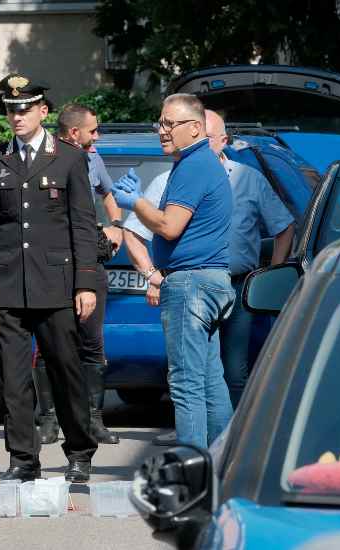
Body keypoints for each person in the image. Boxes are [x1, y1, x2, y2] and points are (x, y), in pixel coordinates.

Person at [124, 109, 295, 425]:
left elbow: (284, 226)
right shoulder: (168, 180)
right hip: (191, 282)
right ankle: (213, 450)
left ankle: (233, 442)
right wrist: (151, 274)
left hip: (240, 287)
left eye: (208, 136)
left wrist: (271, 276)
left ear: (222, 141)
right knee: (199, 377)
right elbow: (133, 230)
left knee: (230, 371)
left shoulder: (247, 179)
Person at [0, 74, 99, 483]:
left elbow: (83, 226)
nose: (17, 116)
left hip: (57, 286)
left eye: (24, 108)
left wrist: (85, 283)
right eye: (10, 109)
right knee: (13, 380)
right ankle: (23, 458)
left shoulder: (69, 158)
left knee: (66, 372)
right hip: (8, 287)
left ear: (43, 111)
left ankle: (79, 452)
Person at [112, 93, 235, 449]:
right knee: (210, 381)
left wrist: (135, 202)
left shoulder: (194, 166)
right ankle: (219, 464)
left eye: (170, 124)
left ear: (195, 128)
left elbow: (169, 226)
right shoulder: (199, 163)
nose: (162, 131)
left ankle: (192, 470)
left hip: (191, 283)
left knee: (185, 383)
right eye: (160, 123)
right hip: (207, 281)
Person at [32, 103, 123, 446]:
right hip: (53, 264)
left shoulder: (92, 159)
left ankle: (93, 420)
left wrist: (117, 228)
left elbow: (109, 196)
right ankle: (49, 420)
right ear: (74, 133)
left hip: (90, 261)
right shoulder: (43, 156)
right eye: (93, 130)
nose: (96, 136)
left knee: (92, 342)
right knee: (47, 343)